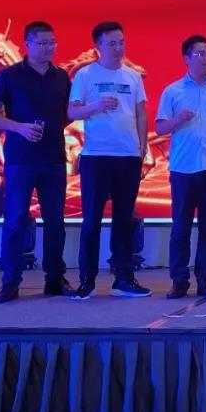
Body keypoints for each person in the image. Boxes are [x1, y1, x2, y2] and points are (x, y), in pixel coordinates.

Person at [0, 21, 74, 303]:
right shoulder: (10, 75)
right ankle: (10, 281)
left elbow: (68, 114)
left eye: (52, 43)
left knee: (55, 222)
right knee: (15, 221)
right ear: (27, 44)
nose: (49, 48)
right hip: (20, 160)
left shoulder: (61, 77)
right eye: (43, 43)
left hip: (54, 159)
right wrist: (18, 128)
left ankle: (55, 278)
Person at [67, 21, 149, 300]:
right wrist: (97, 106)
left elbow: (141, 113)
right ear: (98, 46)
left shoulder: (133, 76)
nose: (118, 48)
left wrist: (142, 148)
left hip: (128, 156)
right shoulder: (85, 75)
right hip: (96, 157)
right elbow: (72, 112)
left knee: (124, 220)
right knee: (92, 221)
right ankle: (87, 280)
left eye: (121, 42)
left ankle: (123, 278)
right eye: (112, 43)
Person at [155, 35, 206, 300]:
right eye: (200, 54)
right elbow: (160, 128)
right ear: (186, 59)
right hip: (183, 168)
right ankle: (179, 281)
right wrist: (177, 119)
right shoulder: (173, 91)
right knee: (181, 227)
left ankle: (205, 280)